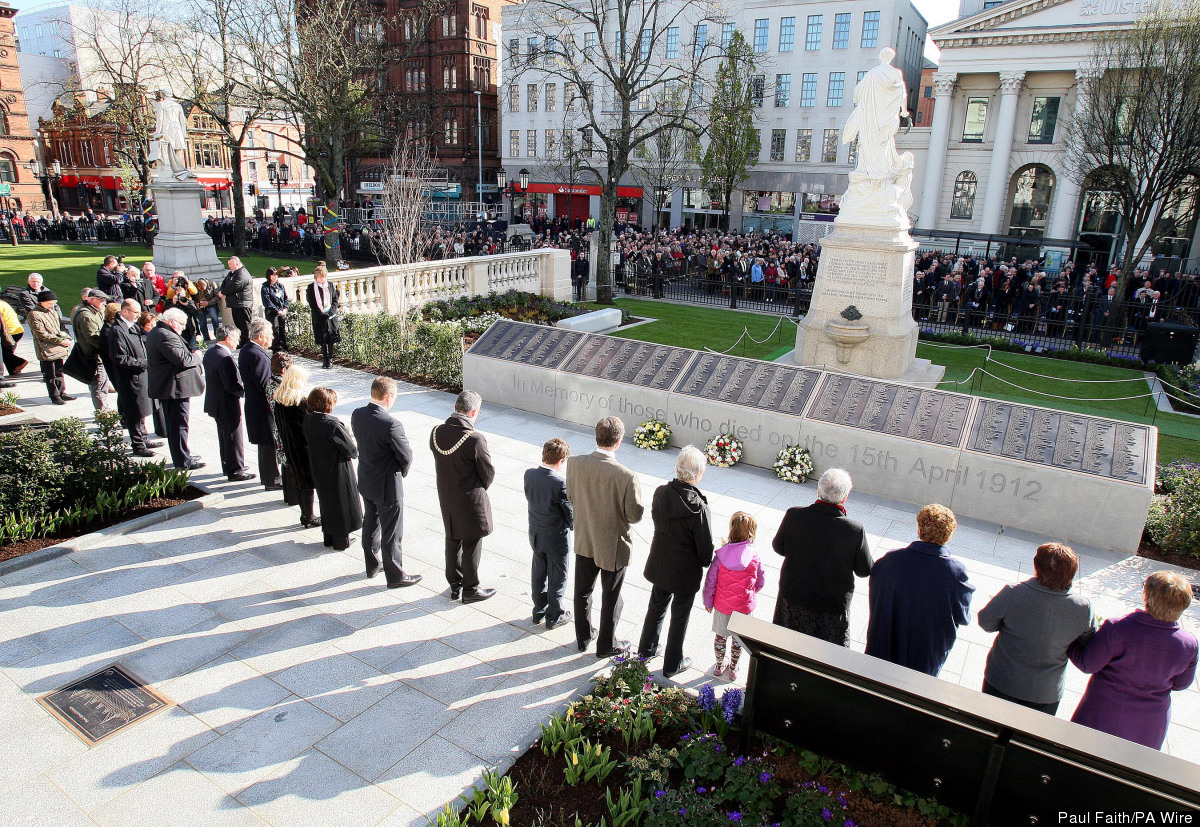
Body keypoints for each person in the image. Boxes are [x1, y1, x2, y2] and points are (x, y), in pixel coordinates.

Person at [1069, 571, 1198, 750]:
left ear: (1146, 596)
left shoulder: (1117, 628)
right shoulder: (1189, 644)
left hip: (1102, 715)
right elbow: (1181, 684)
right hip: (1149, 726)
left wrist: (1070, 643)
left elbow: (1087, 664)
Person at [977, 543, 1097, 715]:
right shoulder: (1083, 607)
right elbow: (1088, 643)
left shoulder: (1013, 593)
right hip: (1045, 693)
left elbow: (985, 622)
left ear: (1036, 566)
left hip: (1002, 681)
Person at [865, 504, 974, 676]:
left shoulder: (890, 560)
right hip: (924, 660)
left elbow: (876, 594)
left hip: (883, 650)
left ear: (919, 530)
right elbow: (963, 617)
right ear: (949, 535)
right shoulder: (955, 572)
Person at [568, 416, 645, 658]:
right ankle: (606, 645)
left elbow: (571, 497)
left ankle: (583, 638)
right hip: (612, 546)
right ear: (619, 441)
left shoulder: (574, 463)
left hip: (585, 539)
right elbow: (634, 516)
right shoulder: (626, 476)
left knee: (582, 591)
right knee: (611, 598)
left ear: (596, 436)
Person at [635, 445, 714, 678]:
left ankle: (646, 651)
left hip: (661, 562)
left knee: (656, 608)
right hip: (685, 571)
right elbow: (705, 549)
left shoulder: (661, 492)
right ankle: (672, 663)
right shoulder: (698, 507)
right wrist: (705, 561)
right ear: (698, 474)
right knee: (679, 616)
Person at [771, 469, 874, 646]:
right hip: (830, 609)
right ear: (844, 497)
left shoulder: (794, 515)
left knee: (787, 648)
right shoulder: (854, 530)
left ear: (818, 492)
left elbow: (779, 547)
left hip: (793, 599)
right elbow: (864, 569)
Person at [351, 377, 422, 588]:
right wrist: (402, 472)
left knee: (371, 523)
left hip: (366, 479)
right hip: (387, 485)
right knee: (392, 531)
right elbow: (406, 456)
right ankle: (395, 576)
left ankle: (372, 565)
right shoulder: (391, 424)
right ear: (388, 397)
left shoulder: (357, 414)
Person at [430, 390, 497, 603]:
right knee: (471, 543)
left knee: (452, 539)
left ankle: (454, 584)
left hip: (447, 496)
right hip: (469, 500)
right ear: (474, 412)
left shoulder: (436, 431)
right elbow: (487, 473)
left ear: (455, 407)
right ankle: (470, 588)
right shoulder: (474, 439)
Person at [703, 512, 766, 681]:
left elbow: (710, 581)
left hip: (722, 606)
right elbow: (760, 580)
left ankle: (718, 665)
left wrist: (708, 602)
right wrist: (751, 594)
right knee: (738, 639)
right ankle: (733, 668)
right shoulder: (754, 556)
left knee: (720, 637)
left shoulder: (721, 555)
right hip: (744, 606)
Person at [146, 308, 206, 470]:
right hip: (173, 389)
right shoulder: (165, 335)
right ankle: (183, 460)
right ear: (171, 321)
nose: (182, 327)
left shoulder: (158, 332)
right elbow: (183, 360)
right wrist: (197, 356)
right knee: (178, 425)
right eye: (181, 324)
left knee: (177, 424)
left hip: (171, 387)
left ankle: (183, 455)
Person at [524, 437, 574, 629]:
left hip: (536, 533)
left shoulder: (529, 474)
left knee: (538, 571)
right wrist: (574, 525)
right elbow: (569, 512)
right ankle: (555, 614)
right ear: (561, 461)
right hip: (556, 537)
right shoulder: (560, 483)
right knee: (558, 575)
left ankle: (538, 610)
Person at [303, 386, 361, 550]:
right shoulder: (332, 424)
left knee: (326, 502)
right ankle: (341, 541)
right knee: (341, 503)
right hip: (336, 469)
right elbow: (352, 450)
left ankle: (328, 537)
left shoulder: (308, 419)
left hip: (317, 466)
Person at [202, 324, 254, 482]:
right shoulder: (225, 357)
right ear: (228, 338)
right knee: (233, 437)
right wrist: (247, 392)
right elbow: (230, 385)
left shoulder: (211, 352)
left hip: (215, 402)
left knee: (224, 436)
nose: (238, 342)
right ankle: (236, 470)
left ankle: (229, 464)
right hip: (226, 403)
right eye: (236, 338)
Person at [273, 363, 320, 528]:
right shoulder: (300, 402)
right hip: (303, 448)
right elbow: (309, 427)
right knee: (307, 483)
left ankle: (304, 514)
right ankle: (310, 515)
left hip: (288, 446)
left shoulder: (279, 398)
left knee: (298, 481)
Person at [238, 319, 282, 489]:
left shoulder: (248, 349)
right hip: (262, 408)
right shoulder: (257, 354)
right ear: (261, 336)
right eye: (270, 334)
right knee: (268, 444)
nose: (272, 337)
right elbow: (265, 384)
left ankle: (270, 477)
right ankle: (271, 480)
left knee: (266, 444)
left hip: (256, 406)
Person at [109, 299, 157, 454]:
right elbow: (120, 358)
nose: (138, 316)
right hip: (129, 378)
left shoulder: (130, 326)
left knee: (141, 409)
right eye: (136, 312)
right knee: (133, 411)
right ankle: (138, 445)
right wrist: (143, 363)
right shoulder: (117, 330)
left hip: (139, 376)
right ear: (125, 311)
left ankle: (143, 438)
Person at [28, 290, 75, 405]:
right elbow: (41, 334)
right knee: (50, 374)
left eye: (54, 303)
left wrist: (67, 337)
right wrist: (60, 340)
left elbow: (61, 327)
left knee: (59, 371)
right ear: (42, 302)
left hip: (57, 347)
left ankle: (62, 392)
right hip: (46, 349)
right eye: (50, 303)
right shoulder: (34, 314)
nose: (52, 305)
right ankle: (54, 396)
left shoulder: (52, 312)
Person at [69, 289, 112, 411]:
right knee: (98, 386)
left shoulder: (94, 311)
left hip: (99, 356)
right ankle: (103, 415)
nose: (104, 303)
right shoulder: (86, 315)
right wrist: (110, 348)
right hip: (94, 357)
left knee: (101, 385)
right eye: (102, 300)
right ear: (92, 300)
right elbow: (93, 338)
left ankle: (104, 411)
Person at [306, 262, 340, 369]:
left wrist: (331, 312)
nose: (323, 279)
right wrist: (321, 313)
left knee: (331, 338)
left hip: (330, 316)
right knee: (323, 339)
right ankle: (324, 358)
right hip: (319, 316)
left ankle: (330, 358)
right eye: (321, 277)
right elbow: (312, 303)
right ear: (316, 277)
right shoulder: (311, 287)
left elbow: (335, 299)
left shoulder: (330, 285)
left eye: (324, 277)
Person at [218, 256, 255, 345]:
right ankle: (242, 342)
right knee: (238, 325)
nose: (229, 266)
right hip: (235, 304)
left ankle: (248, 343)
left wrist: (223, 292)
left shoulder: (242, 274)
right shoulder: (232, 273)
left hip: (243, 304)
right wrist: (222, 291)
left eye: (230, 264)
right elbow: (225, 282)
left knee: (245, 326)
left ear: (237, 264)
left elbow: (235, 286)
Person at [261, 267, 289, 352]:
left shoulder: (280, 286)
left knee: (282, 329)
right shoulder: (265, 287)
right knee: (275, 330)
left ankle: (284, 346)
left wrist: (285, 308)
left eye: (276, 275)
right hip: (272, 313)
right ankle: (276, 348)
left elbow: (286, 299)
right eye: (272, 275)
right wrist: (277, 310)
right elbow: (267, 302)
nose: (274, 277)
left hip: (281, 312)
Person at [0, 297, 27, 378]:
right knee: (7, 351)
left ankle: (19, 362)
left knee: (3, 353)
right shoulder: (2, 303)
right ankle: (14, 370)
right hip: (17, 330)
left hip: (10, 332)